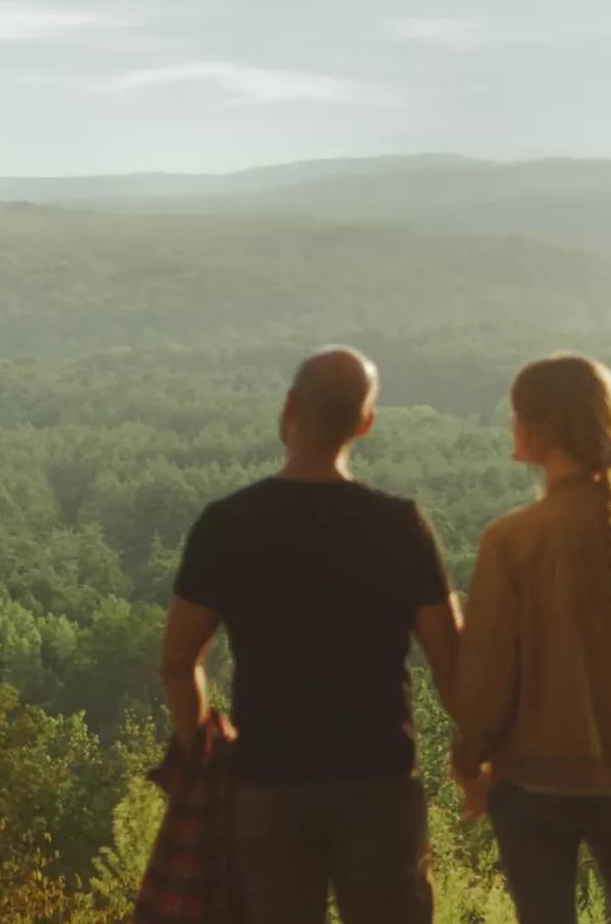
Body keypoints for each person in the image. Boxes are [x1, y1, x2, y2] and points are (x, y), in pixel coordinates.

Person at [159, 346, 461, 924]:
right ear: (365, 423)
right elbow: (449, 662)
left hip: (268, 782)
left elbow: (177, 660)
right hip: (380, 782)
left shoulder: (227, 524)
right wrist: (478, 748)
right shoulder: (400, 525)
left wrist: (200, 747)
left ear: (289, 408)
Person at [452, 354, 611, 924]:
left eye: (517, 415)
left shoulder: (510, 539)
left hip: (530, 783)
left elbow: (487, 680)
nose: (511, 425)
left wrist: (469, 763)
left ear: (543, 428)